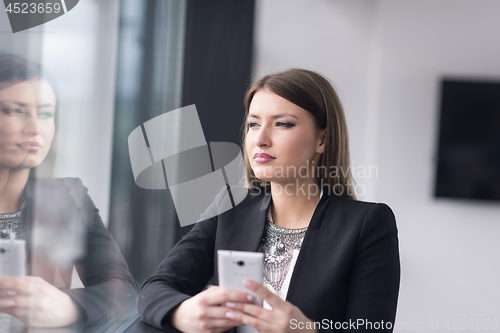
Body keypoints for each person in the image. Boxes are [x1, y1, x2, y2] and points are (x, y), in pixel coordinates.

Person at [138, 69, 400, 333]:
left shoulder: (368, 224)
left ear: (322, 139)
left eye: (282, 123)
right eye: (253, 124)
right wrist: (183, 313)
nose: (260, 140)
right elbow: (156, 287)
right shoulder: (230, 204)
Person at [0, 54, 138, 329]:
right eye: (15, 110)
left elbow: (124, 292)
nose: (34, 128)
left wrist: (67, 305)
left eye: (46, 113)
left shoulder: (67, 196)